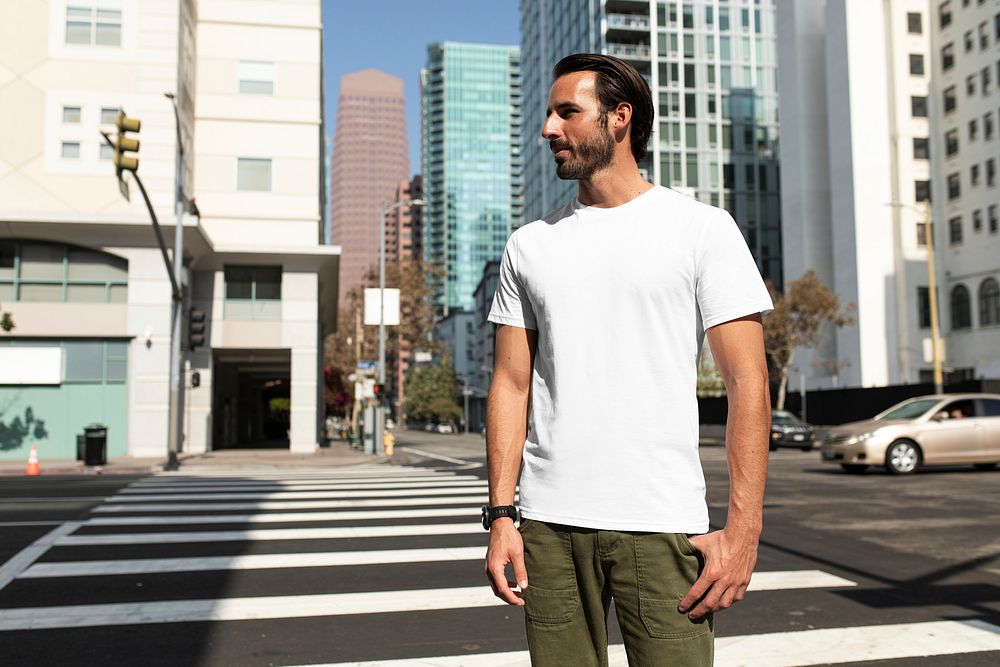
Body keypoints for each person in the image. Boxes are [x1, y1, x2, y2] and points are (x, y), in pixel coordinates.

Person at [482, 53, 772, 666]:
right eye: (549, 113)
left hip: (662, 521)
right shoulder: (529, 245)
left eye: (567, 112)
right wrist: (502, 516)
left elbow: (749, 384)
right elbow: (510, 385)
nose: (548, 128)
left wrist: (743, 533)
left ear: (620, 118)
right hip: (549, 525)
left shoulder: (702, 230)